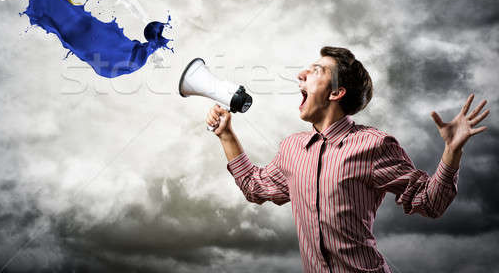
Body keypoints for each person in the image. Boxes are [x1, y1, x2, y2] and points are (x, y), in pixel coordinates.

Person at [206, 46, 490, 273]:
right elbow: (254, 188)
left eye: (316, 70)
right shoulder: (291, 149)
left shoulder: (375, 144)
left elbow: (430, 203)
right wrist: (226, 134)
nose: (301, 74)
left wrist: (452, 152)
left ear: (336, 93)